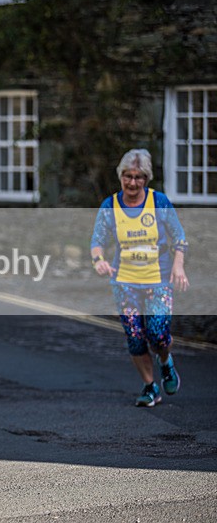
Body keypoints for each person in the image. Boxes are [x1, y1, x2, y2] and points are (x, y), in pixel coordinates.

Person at [90, 148, 189, 407]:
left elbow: (179, 238)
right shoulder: (110, 206)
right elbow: (97, 242)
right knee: (135, 338)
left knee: (157, 335)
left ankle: (166, 362)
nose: (132, 183)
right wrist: (99, 261)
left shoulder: (159, 202)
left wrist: (178, 267)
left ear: (146, 178)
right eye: (127, 176)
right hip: (125, 283)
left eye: (138, 177)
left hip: (158, 281)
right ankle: (149, 387)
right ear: (120, 176)